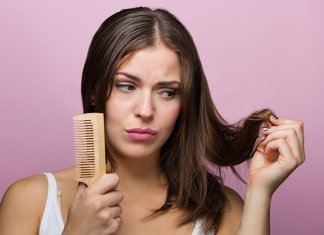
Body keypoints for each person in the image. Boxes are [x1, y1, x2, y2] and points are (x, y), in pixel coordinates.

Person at [0, 7, 305, 235]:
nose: (145, 110)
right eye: (127, 86)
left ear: (184, 104)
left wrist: (260, 192)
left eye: (167, 92)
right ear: (95, 92)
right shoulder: (32, 201)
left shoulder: (220, 210)